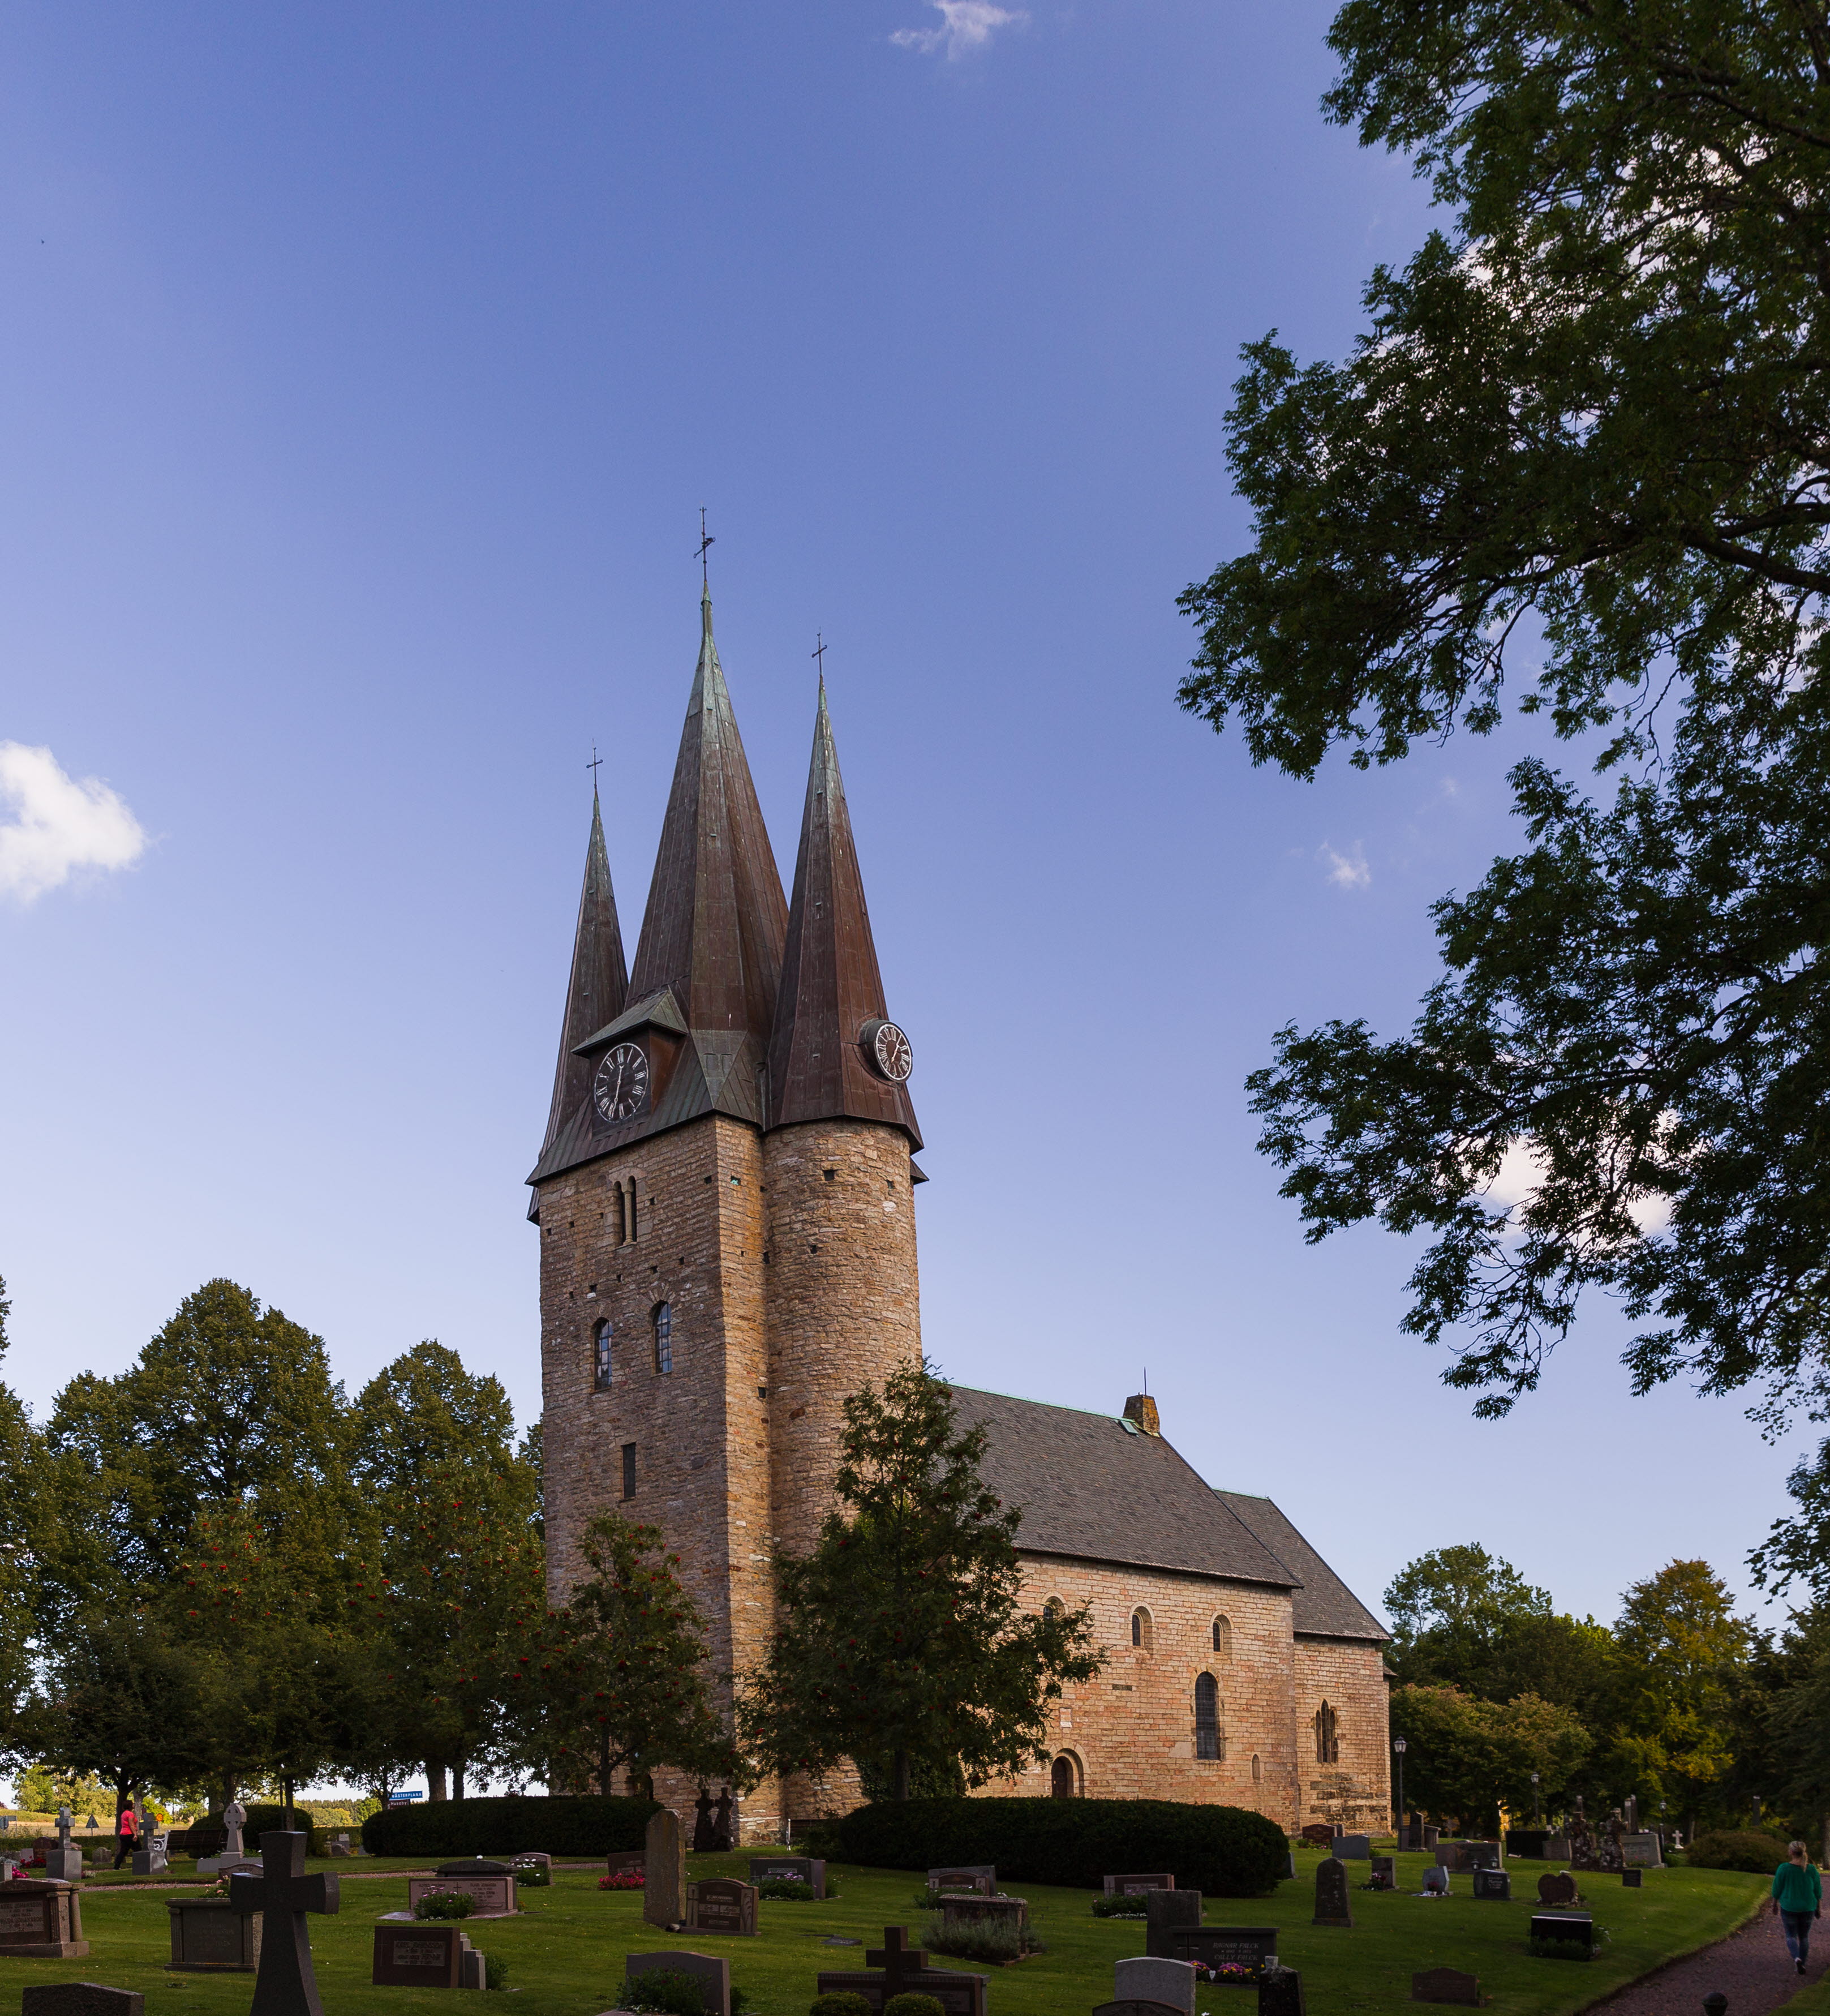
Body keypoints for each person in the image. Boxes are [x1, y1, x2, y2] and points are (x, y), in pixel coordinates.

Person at [1772, 1841, 1823, 1975]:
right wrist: (1819, 1907)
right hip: (1808, 1907)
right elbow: (1818, 1890)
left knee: (1791, 1936)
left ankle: (1797, 1958)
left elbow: (1777, 1888)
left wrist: (1775, 1904)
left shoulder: (1784, 1868)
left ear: (1791, 1852)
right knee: (1804, 1936)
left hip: (1789, 1906)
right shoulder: (1811, 1869)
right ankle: (1803, 1964)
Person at [113, 1799, 138, 1871]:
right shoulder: (130, 1814)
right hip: (129, 1834)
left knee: (123, 1851)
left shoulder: (124, 1814)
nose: (133, 1805)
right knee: (138, 1849)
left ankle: (116, 1866)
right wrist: (135, 1835)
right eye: (132, 1804)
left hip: (123, 1834)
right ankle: (139, 1865)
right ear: (130, 1806)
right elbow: (131, 1825)